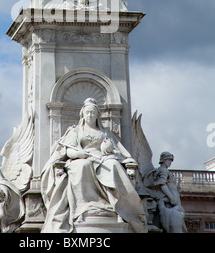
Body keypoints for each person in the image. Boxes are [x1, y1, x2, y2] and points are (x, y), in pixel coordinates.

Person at [41, 98, 147, 233]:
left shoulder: (105, 133)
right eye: (88, 113)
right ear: (83, 114)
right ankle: (82, 208)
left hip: (102, 159)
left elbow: (117, 150)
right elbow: (68, 150)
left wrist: (108, 151)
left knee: (114, 165)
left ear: (97, 115)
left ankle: (119, 207)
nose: (90, 115)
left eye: (92, 113)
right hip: (81, 158)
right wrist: (79, 154)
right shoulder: (75, 131)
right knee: (83, 166)